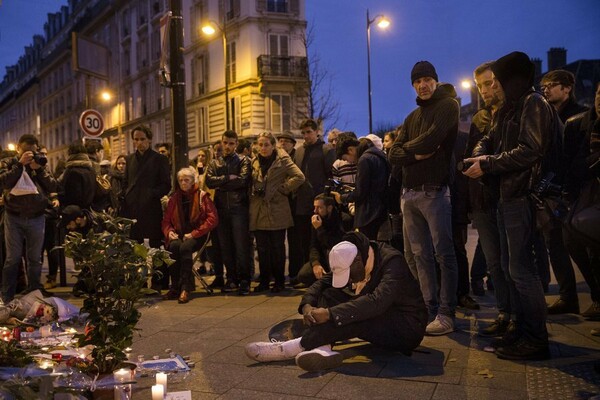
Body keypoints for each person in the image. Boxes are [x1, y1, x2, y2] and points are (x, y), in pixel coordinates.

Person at [464, 51, 562, 360]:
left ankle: (535, 338)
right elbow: (489, 139)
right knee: (511, 267)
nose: (493, 88)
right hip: (509, 195)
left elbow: (530, 150)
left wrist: (488, 163)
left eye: (498, 82)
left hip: (523, 195)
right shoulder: (511, 108)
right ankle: (521, 329)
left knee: (522, 270)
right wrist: (481, 154)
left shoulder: (533, 104)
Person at [245, 232, 427, 372]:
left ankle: (289, 348)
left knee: (357, 313)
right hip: (380, 317)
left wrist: (330, 314)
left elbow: (376, 302)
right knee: (330, 293)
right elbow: (321, 283)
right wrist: (307, 305)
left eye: (348, 275)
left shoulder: (392, 262)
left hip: (406, 328)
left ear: (357, 262)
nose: (348, 281)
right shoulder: (352, 253)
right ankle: (323, 349)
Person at [388, 61, 459, 336]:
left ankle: (446, 312)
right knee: (418, 256)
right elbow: (392, 154)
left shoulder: (448, 106)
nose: (423, 85)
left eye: (428, 79)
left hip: (433, 191)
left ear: (436, 81)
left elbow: (433, 140)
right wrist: (414, 153)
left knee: (443, 253)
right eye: (418, 81)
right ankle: (428, 308)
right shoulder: (411, 117)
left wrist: (406, 149)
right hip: (410, 193)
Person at [466, 61, 513, 338]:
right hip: (483, 199)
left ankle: (520, 317)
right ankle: (505, 312)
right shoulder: (480, 119)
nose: (485, 89)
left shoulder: (514, 113)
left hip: (508, 197)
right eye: (480, 85)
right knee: (494, 262)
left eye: (489, 82)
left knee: (513, 263)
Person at [537, 69, 589, 315]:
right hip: (550, 189)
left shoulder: (580, 116)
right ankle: (568, 296)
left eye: (552, 84)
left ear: (567, 88)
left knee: (581, 244)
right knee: (555, 244)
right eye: (543, 85)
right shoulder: (545, 116)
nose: (545, 89)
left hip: (575, 191)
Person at [0, 134, 57, 302]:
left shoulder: (40, 164)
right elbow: (4, 182)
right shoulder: (10, 163)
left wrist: (38, 169)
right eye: (26, 151)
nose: (30, 154)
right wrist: (20, 165)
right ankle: (7, 295)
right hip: (14, 216)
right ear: (18, 149)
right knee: (13, 258)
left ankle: (34, 292)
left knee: (35, 258)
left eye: (32, 151)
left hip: (36, 217)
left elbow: (53, 186)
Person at [561, 82, 600, 321]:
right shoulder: (581, 125)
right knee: (573, 239)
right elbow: (573, 164)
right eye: (598, 93)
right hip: (586, 195)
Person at [250, 132, 305, 293]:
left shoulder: (282, 160)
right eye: (260, 145)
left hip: (277, 209)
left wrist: (283, 188)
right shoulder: (254, 161)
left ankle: (279, 281)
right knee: (262, 248)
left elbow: (299, 177)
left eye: (266, 144)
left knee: (277, 248)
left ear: (273, 145)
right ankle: (265, 281)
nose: (263, 148)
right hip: (259, 209)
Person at [121, 125, 171, 292]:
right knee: (136, 246)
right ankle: (139, 282)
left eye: (142, 139)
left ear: (149, 139)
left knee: (156, 246)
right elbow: (126, 182)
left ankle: (159, 282)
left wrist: (151, 193)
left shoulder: (160, 159)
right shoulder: (129, 159)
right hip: (133, 209)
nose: (139, 142)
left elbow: (166, 185)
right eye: (136, 139)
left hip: (151, 208)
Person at [289, 119, 336, 285]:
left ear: (317, 132)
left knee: (319, 239)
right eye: (303, 133)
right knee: (303, 241)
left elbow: (332, 176)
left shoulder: (326, 149)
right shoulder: (299, 151)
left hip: (319, 204)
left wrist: (325, 198)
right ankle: (306, 274)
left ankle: (321, 273)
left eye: (309, 132)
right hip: (301, 203)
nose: (306, 136)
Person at [205, 130, 253, 295]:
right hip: (221, 209)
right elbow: (209, 182)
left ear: (236, 144)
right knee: (225, 247)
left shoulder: (244, 160)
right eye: (225, 143)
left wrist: (222, 183)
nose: (227, 146)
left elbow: (243, 180)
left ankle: (245, 280)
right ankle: (231, 278)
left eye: (231, 143)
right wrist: (228, 178)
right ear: (221, 142)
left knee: (241, 246)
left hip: (239, 208)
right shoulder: (214, 163)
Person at [162, 167, 218, 303]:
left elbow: (212, 219)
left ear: (193, 181)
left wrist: (194, 233)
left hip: (198, 234)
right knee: (173, 247)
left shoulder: (202, 196)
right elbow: (166, 221)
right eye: (181, 180)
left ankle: (185, 287)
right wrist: (169, 232)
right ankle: (175, 286)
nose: (183, 183)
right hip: (179, 234)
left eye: (186, 180)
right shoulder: (174, 198)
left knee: (185, 248)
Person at [333, 137, 389, 240]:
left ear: (350, 150)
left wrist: (342, 198)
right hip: (380, 211)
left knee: (368, 248)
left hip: (369, 214)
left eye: (345, 158)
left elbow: (360, 192)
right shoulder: (378, 155)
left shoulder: (364, 159)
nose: (349, 162)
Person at [296, 194, 345, 288]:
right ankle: (325, 280)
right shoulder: (317, 219)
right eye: (315, 207)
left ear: (329, 208)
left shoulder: (342, 220)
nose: (315, 211)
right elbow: (314, 245)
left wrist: (320, 229)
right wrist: (316, 264)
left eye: (319, 208)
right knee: (303, 275)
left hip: (338, 259)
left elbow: (334, 246)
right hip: (323, 257)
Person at [58, 141, 96, 209]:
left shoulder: (72, 171)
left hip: (75, 214)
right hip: (89, 211)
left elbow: (72, 196)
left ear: (71, 154)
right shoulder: (91, 170)